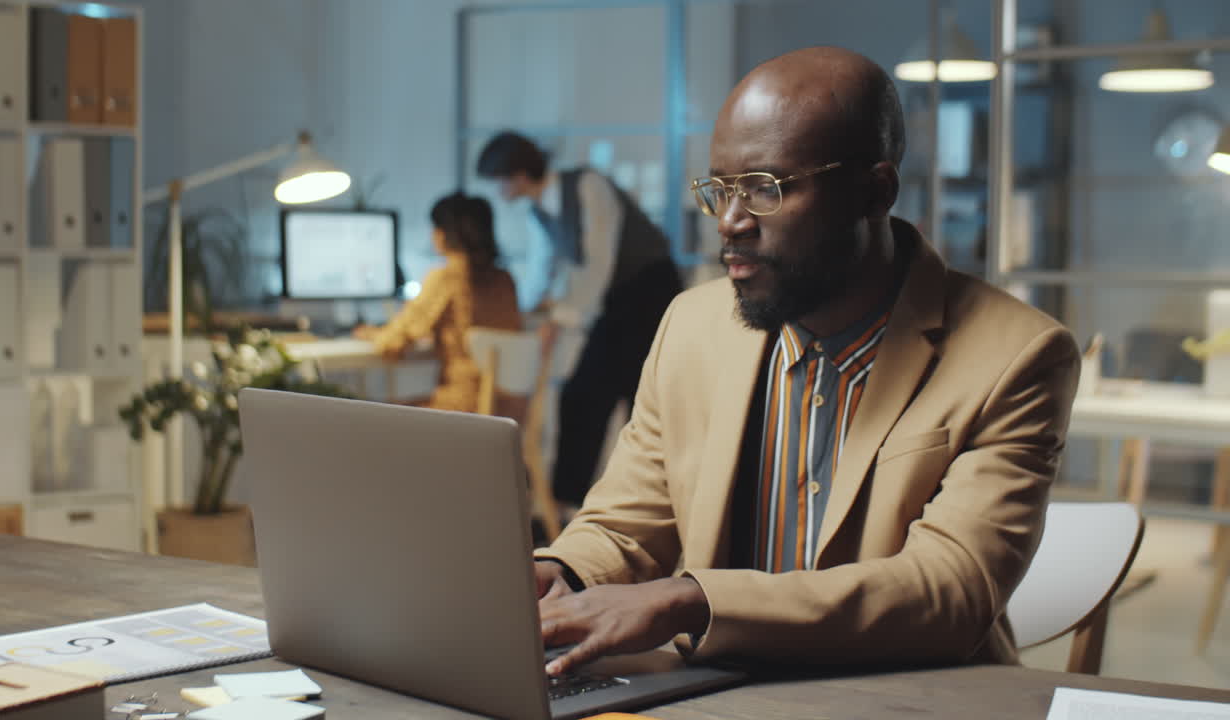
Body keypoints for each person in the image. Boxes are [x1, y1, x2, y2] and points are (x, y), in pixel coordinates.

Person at [530, 46, 1081, 677]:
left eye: (764, 189)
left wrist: (693, 600)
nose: (730, 223)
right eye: (720, 190)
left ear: (874, 192)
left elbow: (949, 589)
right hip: (712, 695)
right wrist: (561, 572)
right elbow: (629, 520)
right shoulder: (692, 325)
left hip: (904, 698)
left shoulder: (1016, 355)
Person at [476, 132, 684, 511]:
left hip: (648, 291)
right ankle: (567, 505)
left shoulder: (587, 184)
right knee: (589, 398)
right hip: (615, 303)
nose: (497, 189)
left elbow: (599, 261)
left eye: (498, 179)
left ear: (519, 174)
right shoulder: (539, 210)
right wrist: (526, 311)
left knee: (627, 398)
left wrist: (562, 316)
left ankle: (614, 504)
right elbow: (547, 269)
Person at [354, 192, 521, 413]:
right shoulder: (505, 280)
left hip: (465, 407)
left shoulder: (446, 278)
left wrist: (370, 333)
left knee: (374, 413)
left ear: (444, 234)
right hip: (509, 407)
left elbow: (393, 343)